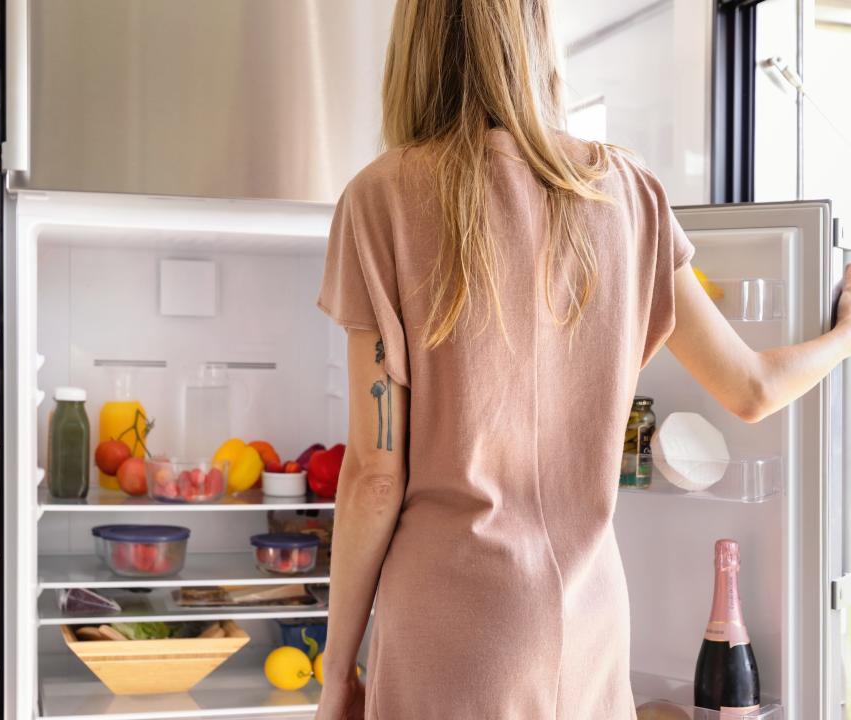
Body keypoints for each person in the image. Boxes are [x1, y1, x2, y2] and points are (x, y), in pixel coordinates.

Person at [313, 1, 851, 718]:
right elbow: (752, 389)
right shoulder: (626, 193)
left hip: (448, 623)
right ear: (537, 37)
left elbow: (376, 478)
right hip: (589, 615)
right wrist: (844, 334)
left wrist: (336, 672)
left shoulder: (380, 198)